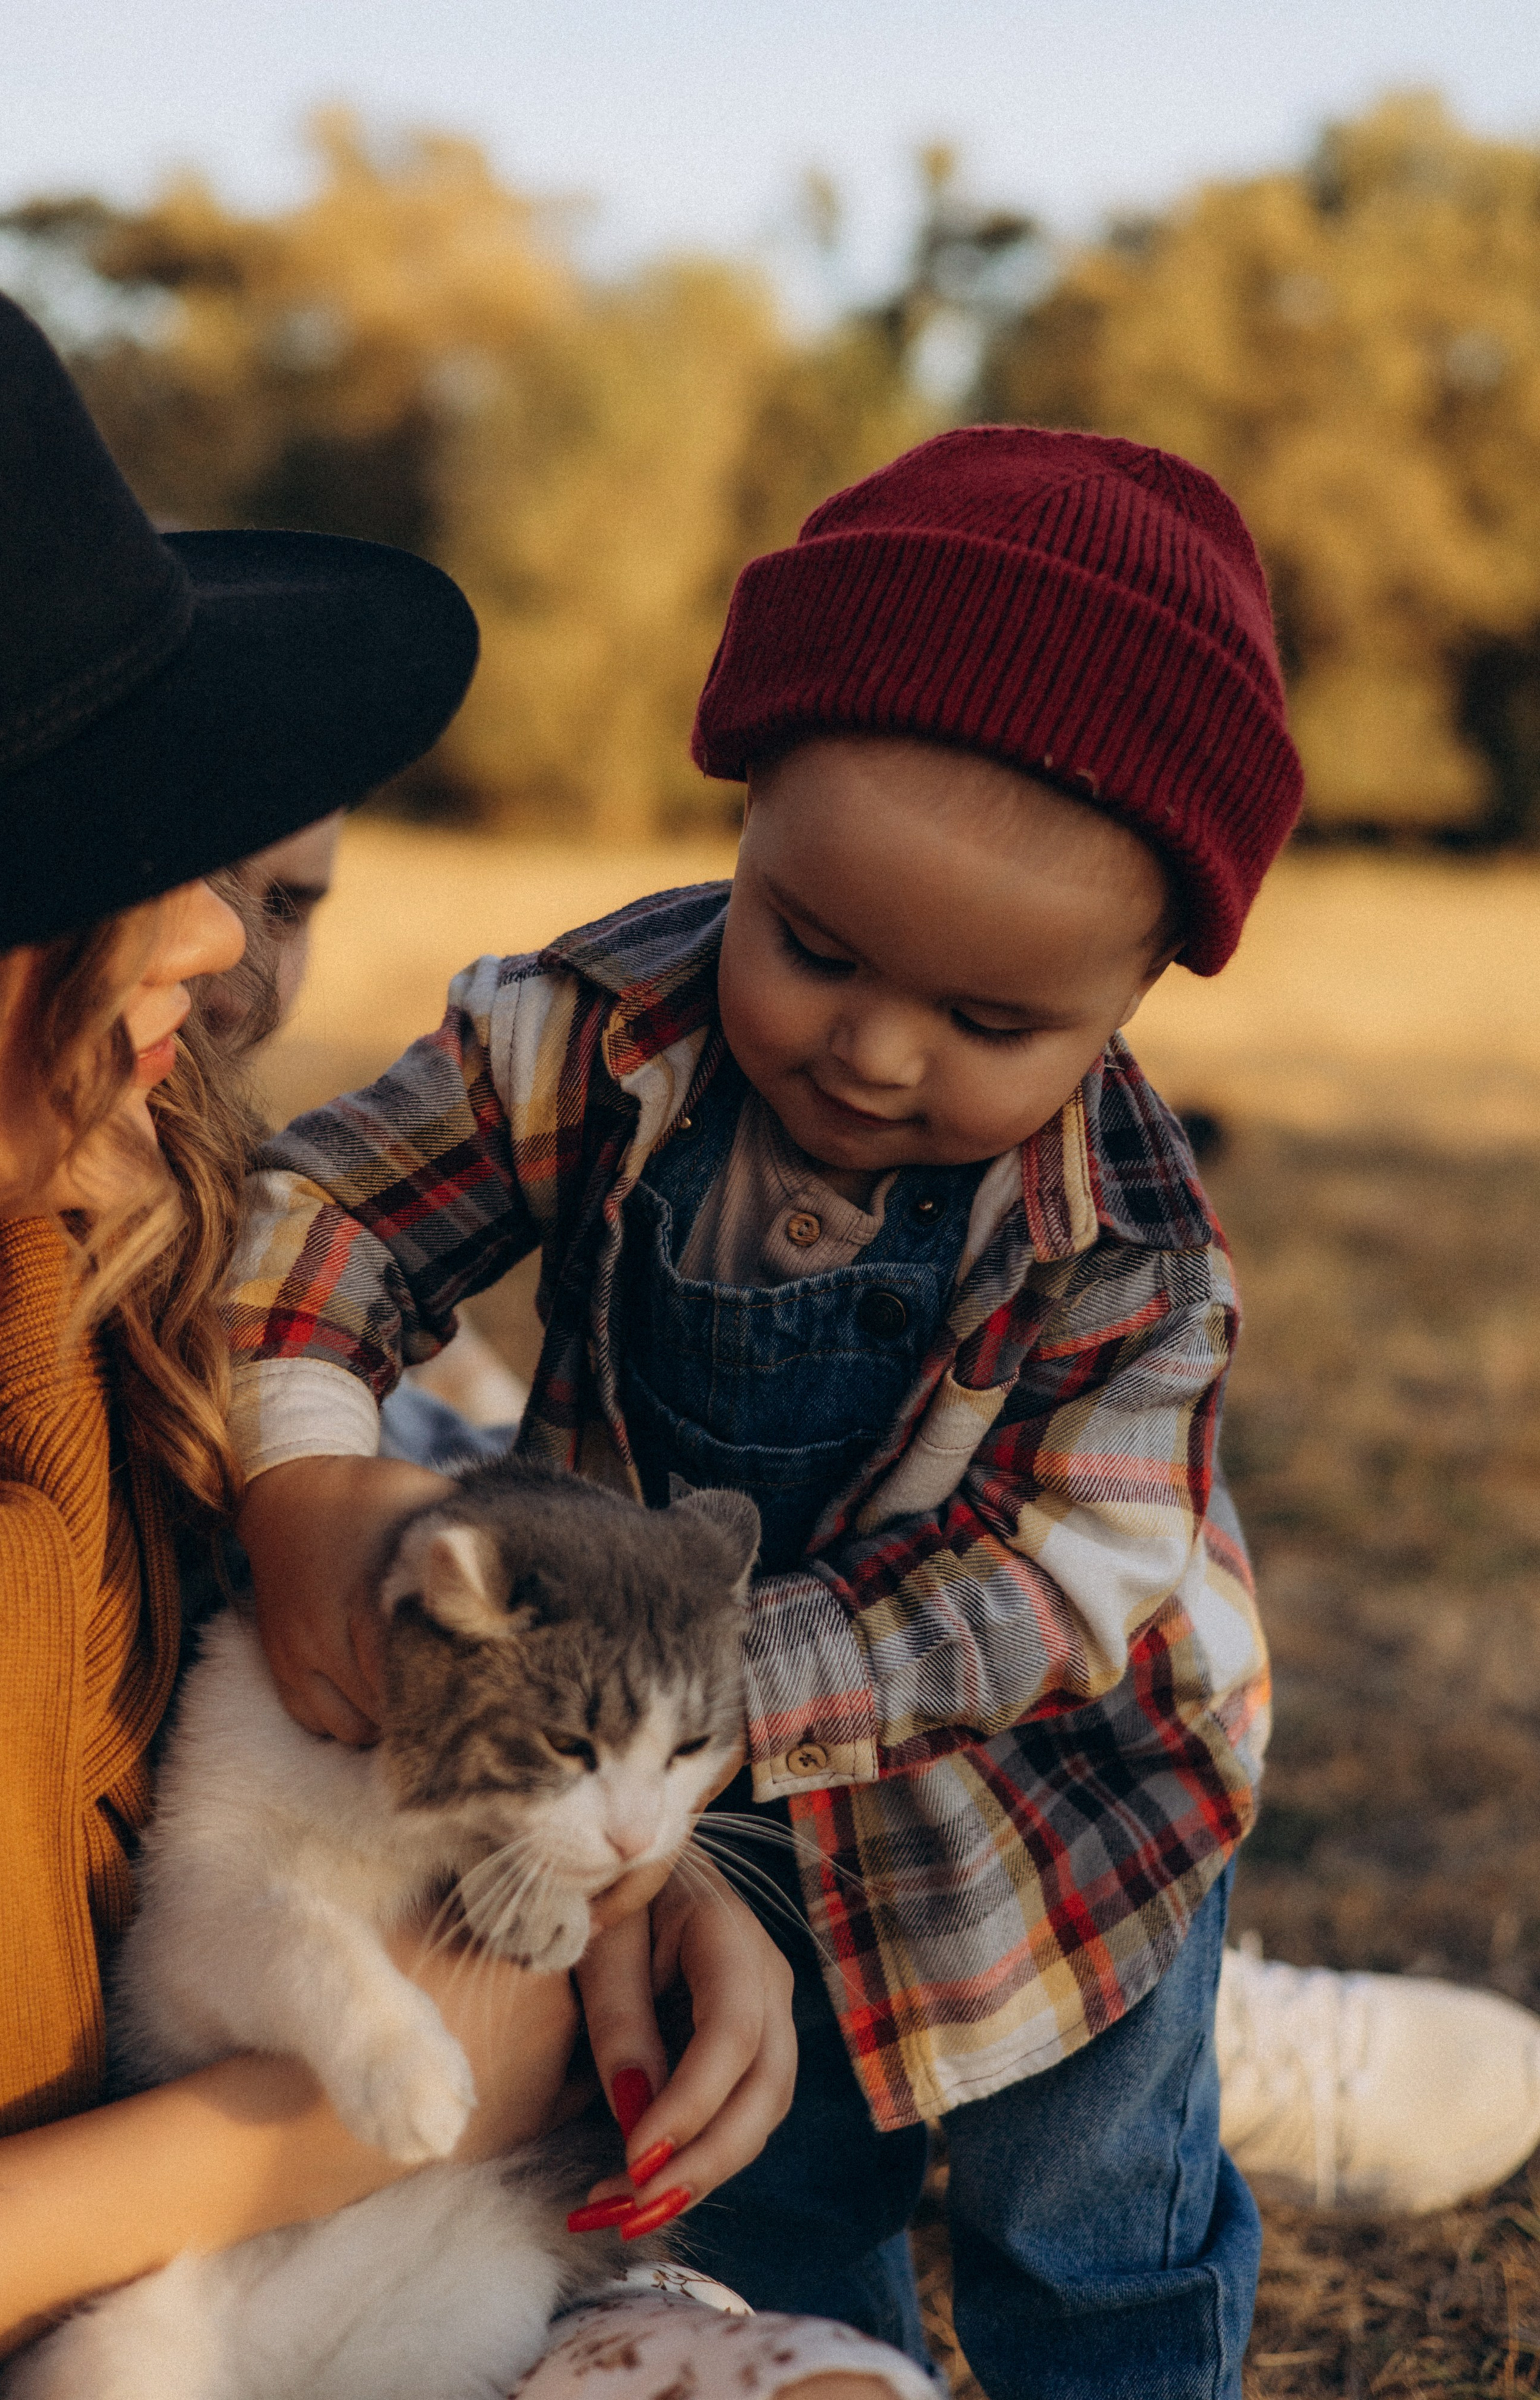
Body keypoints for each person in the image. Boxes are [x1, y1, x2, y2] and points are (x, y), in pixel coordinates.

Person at [222, 428, 1306, 2399]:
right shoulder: (592, 1032)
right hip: (694, 1798)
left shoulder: (1127, 1252)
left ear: (1137, 993)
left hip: (1054, 1819)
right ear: (744, 819)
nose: (876, 1053)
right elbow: (328, 1208)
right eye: (812, 946)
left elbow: (1046, 1592)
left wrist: (690, 1685)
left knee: (1086, 2233)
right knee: (765, 2186)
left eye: (996, 1027)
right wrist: (303, 1452)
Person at [0, 266, 929, 2400]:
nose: (220, 939)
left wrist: (636, 1895)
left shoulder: (85, 1264)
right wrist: (410, 2081)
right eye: (129, 858)